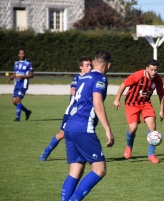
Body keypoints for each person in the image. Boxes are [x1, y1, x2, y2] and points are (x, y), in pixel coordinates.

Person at [61, 50, 114, 201]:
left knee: (75, 170)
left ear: (93, 62)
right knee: (99, 170)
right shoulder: (101, 78)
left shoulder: (82, 78)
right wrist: (108, 129)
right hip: (83, 126)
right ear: (108, 65)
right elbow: (97, 103)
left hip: (70, 125)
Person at [39, 56, 92, 161]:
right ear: (81, 67)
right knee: (62, 134)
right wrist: (80, 95)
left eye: (90, 65)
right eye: (87, 65)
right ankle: (45, 153)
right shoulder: (78, 78)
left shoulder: (91, 78)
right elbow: (72, 90)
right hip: (72, 110)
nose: (90, 67)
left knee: (85, 132)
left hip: (84, 112)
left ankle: (88, 156)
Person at [113, 59, 164, 164]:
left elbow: (161, 94)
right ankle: (129, 146)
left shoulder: (158, 79)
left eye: (156, 70)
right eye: (152, 70)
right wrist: (117, 99)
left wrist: (162, 110)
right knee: (133, 128)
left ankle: (151, 155)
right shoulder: (138, 75)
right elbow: (124, 84)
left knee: (152, 127)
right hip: (132, 104)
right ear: (147, 69)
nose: (154, 72)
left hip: (146, 103)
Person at [6, 49, 34, 121]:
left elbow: (32, 75)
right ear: (18, 55)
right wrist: (10, 79)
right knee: (14, 102)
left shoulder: (28, 63)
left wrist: (23, 76)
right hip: (17, 84)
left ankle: (17, 118)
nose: (22, 55)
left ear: (25, 54)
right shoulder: (16, 63)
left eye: (23, 54)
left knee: (18, 100)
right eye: (20, 54)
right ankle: (27, 112)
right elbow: (14, 74)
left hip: (23, 85)